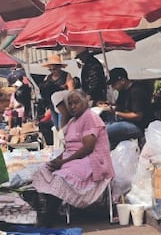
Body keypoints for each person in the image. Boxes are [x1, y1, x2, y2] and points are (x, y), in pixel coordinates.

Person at [32, 90, 115, 224]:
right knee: (43, 170)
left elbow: (88, 148)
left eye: (76, 103)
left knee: (61, 176)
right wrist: (58, 159)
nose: (72, 106)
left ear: (85, 101)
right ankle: (53, 211)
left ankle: (49, 216)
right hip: (74, 158)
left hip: (92, 159)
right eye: (69, 104)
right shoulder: (72, 121)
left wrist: (64, 161)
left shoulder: (90, 117)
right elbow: (68, 146)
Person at [103, 67, 154, 149]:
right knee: (101, 125)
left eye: (114, 84)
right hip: (127, 121)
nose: (113, 87)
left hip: (140, 126)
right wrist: (108, 105)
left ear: (122, 81)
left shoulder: (136, 91)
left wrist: (116, 113)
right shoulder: (123, 91)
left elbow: (137, 116)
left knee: (105, 130)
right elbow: (119, 106)